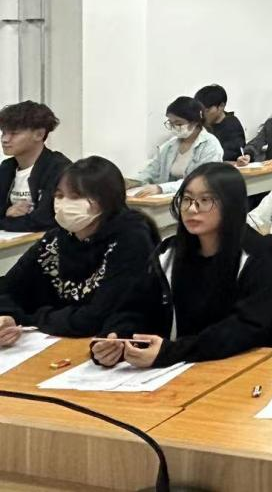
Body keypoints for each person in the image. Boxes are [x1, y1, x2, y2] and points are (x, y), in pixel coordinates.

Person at [91, 163, 272, 369]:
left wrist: (172, 352)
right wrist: (115, 338)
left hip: (246, 364)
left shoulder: (256, 254)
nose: (191, 209)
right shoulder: (168, 253)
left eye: (205, 201)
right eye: (187, 199)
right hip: (181, 366)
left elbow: (247, 328)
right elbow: (135, 307)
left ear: (230, 205)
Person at [0, 156, 159, 338]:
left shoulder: (131, 238)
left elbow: (95, 318)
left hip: (114, 344)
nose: (63, 204)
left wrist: (31, 319)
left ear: (105, 200)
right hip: (54, 337)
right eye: (59, 196)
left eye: (75, 197)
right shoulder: (56, 239)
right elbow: (7, 288)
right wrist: (8, 317)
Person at [132, 97, 225, 196]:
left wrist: (161, 188)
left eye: (178, 123)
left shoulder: (210, 146)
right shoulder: (170, 145)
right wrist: (133, 182)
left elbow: (200, 181)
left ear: (195, 122)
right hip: (166, 199)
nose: (174, 127)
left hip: (195, 198)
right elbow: (152, 170)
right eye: (171, 123)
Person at [0, 101, 70, 232]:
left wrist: (5, 219)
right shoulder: (6, 168)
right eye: (3, 132)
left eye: (14, 133)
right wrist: (7, 213)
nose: (4, 139)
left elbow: (45, 220)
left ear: (39, 134)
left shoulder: (59, 168)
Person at [194, 85, 246, 161]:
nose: (203, 115)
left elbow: (229, 155)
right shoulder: (201, 124)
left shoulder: (232, 125)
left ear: (221, 106)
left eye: (207, 110)